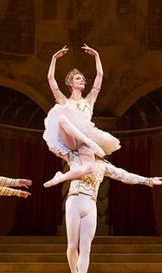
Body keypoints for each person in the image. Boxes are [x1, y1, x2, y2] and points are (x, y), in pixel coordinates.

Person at [64, 152, 162, 273]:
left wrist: (148, 180)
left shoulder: (103, 165)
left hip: (90, 204)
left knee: (86, 247)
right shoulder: (75, 157)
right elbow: (56, 146)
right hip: (74, 201)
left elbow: (124, 175)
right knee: (72, 246)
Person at [42, 44, 120, 188]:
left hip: (84, 141)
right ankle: (89, 143)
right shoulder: (64, 100)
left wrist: (97, 56)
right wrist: (54, 58)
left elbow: (100, 77)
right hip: (72, 139)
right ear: (71, 83)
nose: (82, 80)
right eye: (79, 79)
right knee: (62, 118)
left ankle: (61, 177)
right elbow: (51, 79)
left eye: (83, 79)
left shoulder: (89, 101)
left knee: (89, 168)